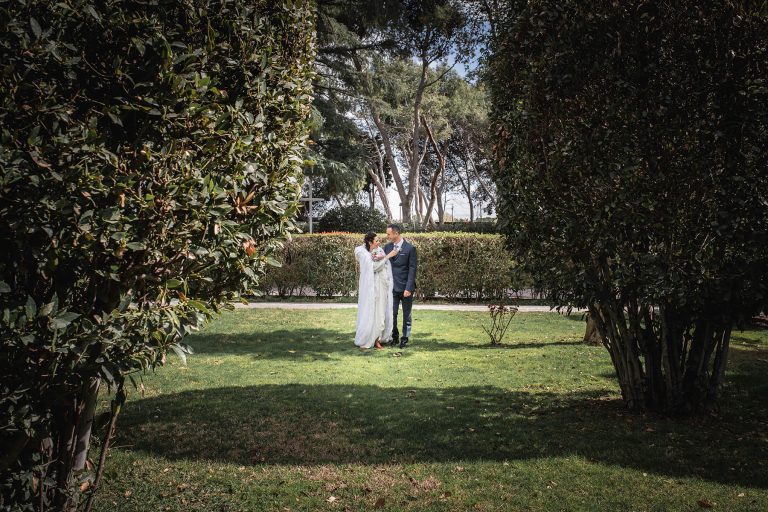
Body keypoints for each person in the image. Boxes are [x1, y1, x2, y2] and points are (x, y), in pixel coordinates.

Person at [354, 232, 399, 350]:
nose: (379, 242)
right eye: (377, 240)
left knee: (381, 313)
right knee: (372, 313)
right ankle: (371, 339)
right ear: (370, 242)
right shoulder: (363, 253)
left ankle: (377, 338)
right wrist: (387, 257)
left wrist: (383, 258)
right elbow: (374, 267)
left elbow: (383, 265)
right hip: (371, 288)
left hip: (381, 286)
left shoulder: (379, 250)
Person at [383, 224, 417, 348]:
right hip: (391, 287)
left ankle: (405, 338)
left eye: (389, 234)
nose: (387, 236)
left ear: (396, 234)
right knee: (393, 313)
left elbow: (412, 270)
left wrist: (408, 288)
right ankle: (395, 336)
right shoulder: (387, 248)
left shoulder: (410, 249)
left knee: (406, 315)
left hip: (405, 288)